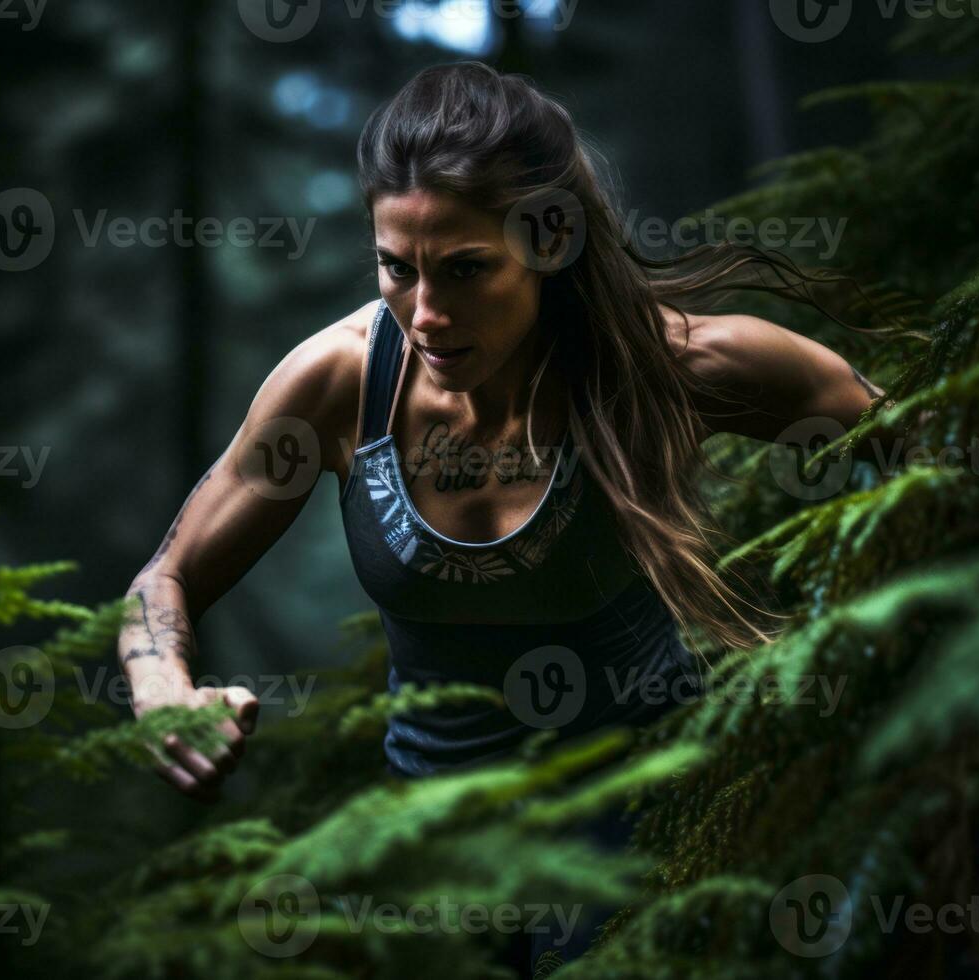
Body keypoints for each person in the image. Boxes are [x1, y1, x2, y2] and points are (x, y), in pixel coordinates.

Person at [116, 60, 883, 977]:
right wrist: (163, 692)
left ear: (549, 238)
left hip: (649, 825)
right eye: (397, 270)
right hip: (437, 852)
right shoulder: (337, 386)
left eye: (466, 269)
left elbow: (924, 445)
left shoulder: (665, 368)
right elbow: (163, 576)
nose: (428, 314)